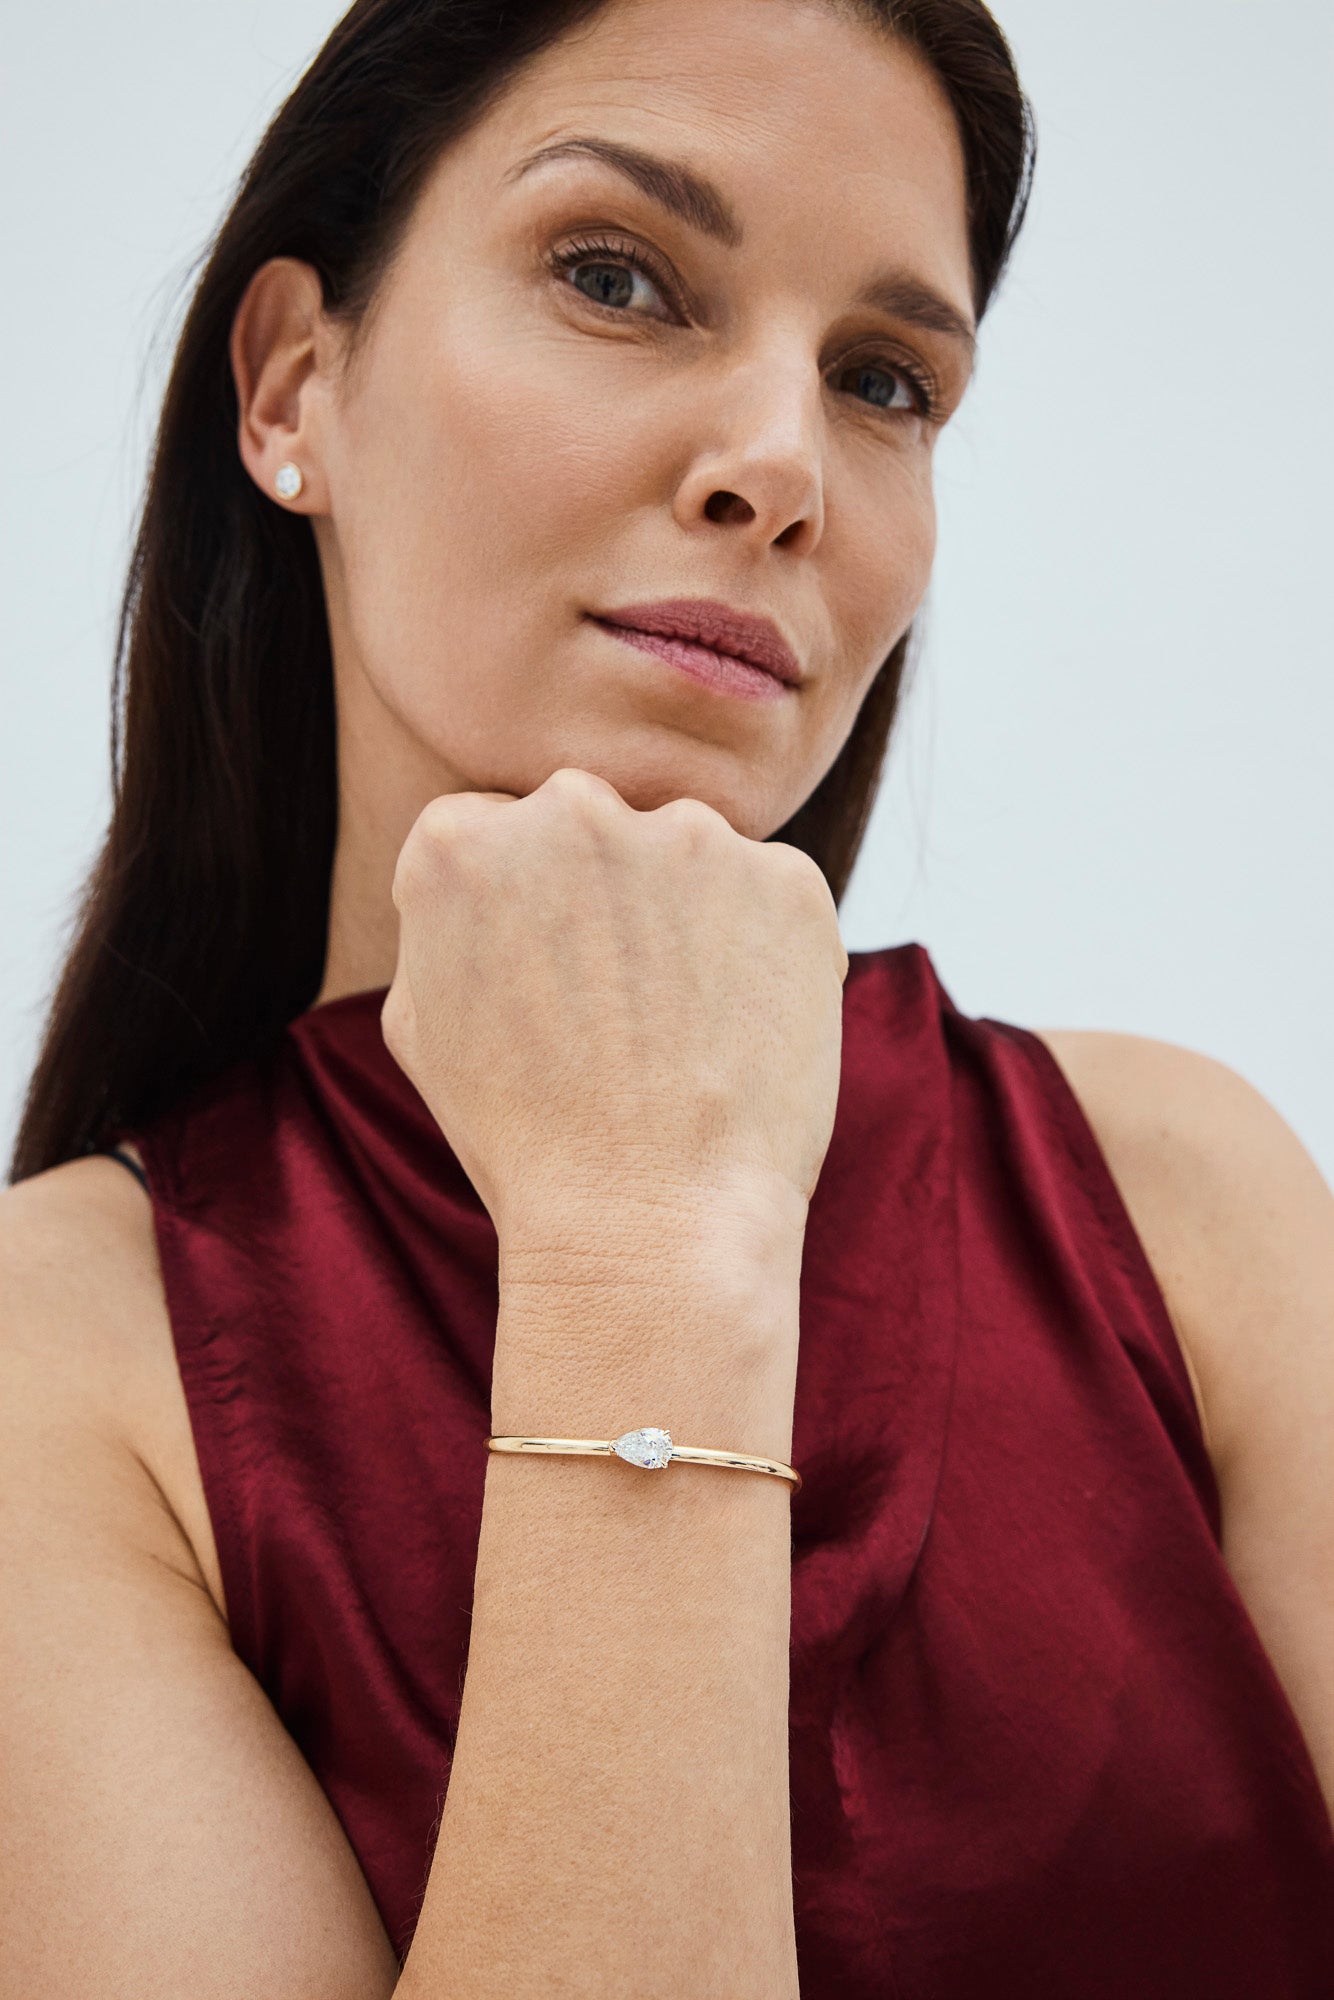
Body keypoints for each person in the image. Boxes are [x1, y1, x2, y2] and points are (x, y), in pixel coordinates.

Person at [3, 0, 1331, 1992]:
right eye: (617, 277)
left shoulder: (1178, 1196)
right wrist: (641, 1239)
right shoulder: (59, 1368)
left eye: (881, 379)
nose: (781, 466)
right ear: (291, 385)